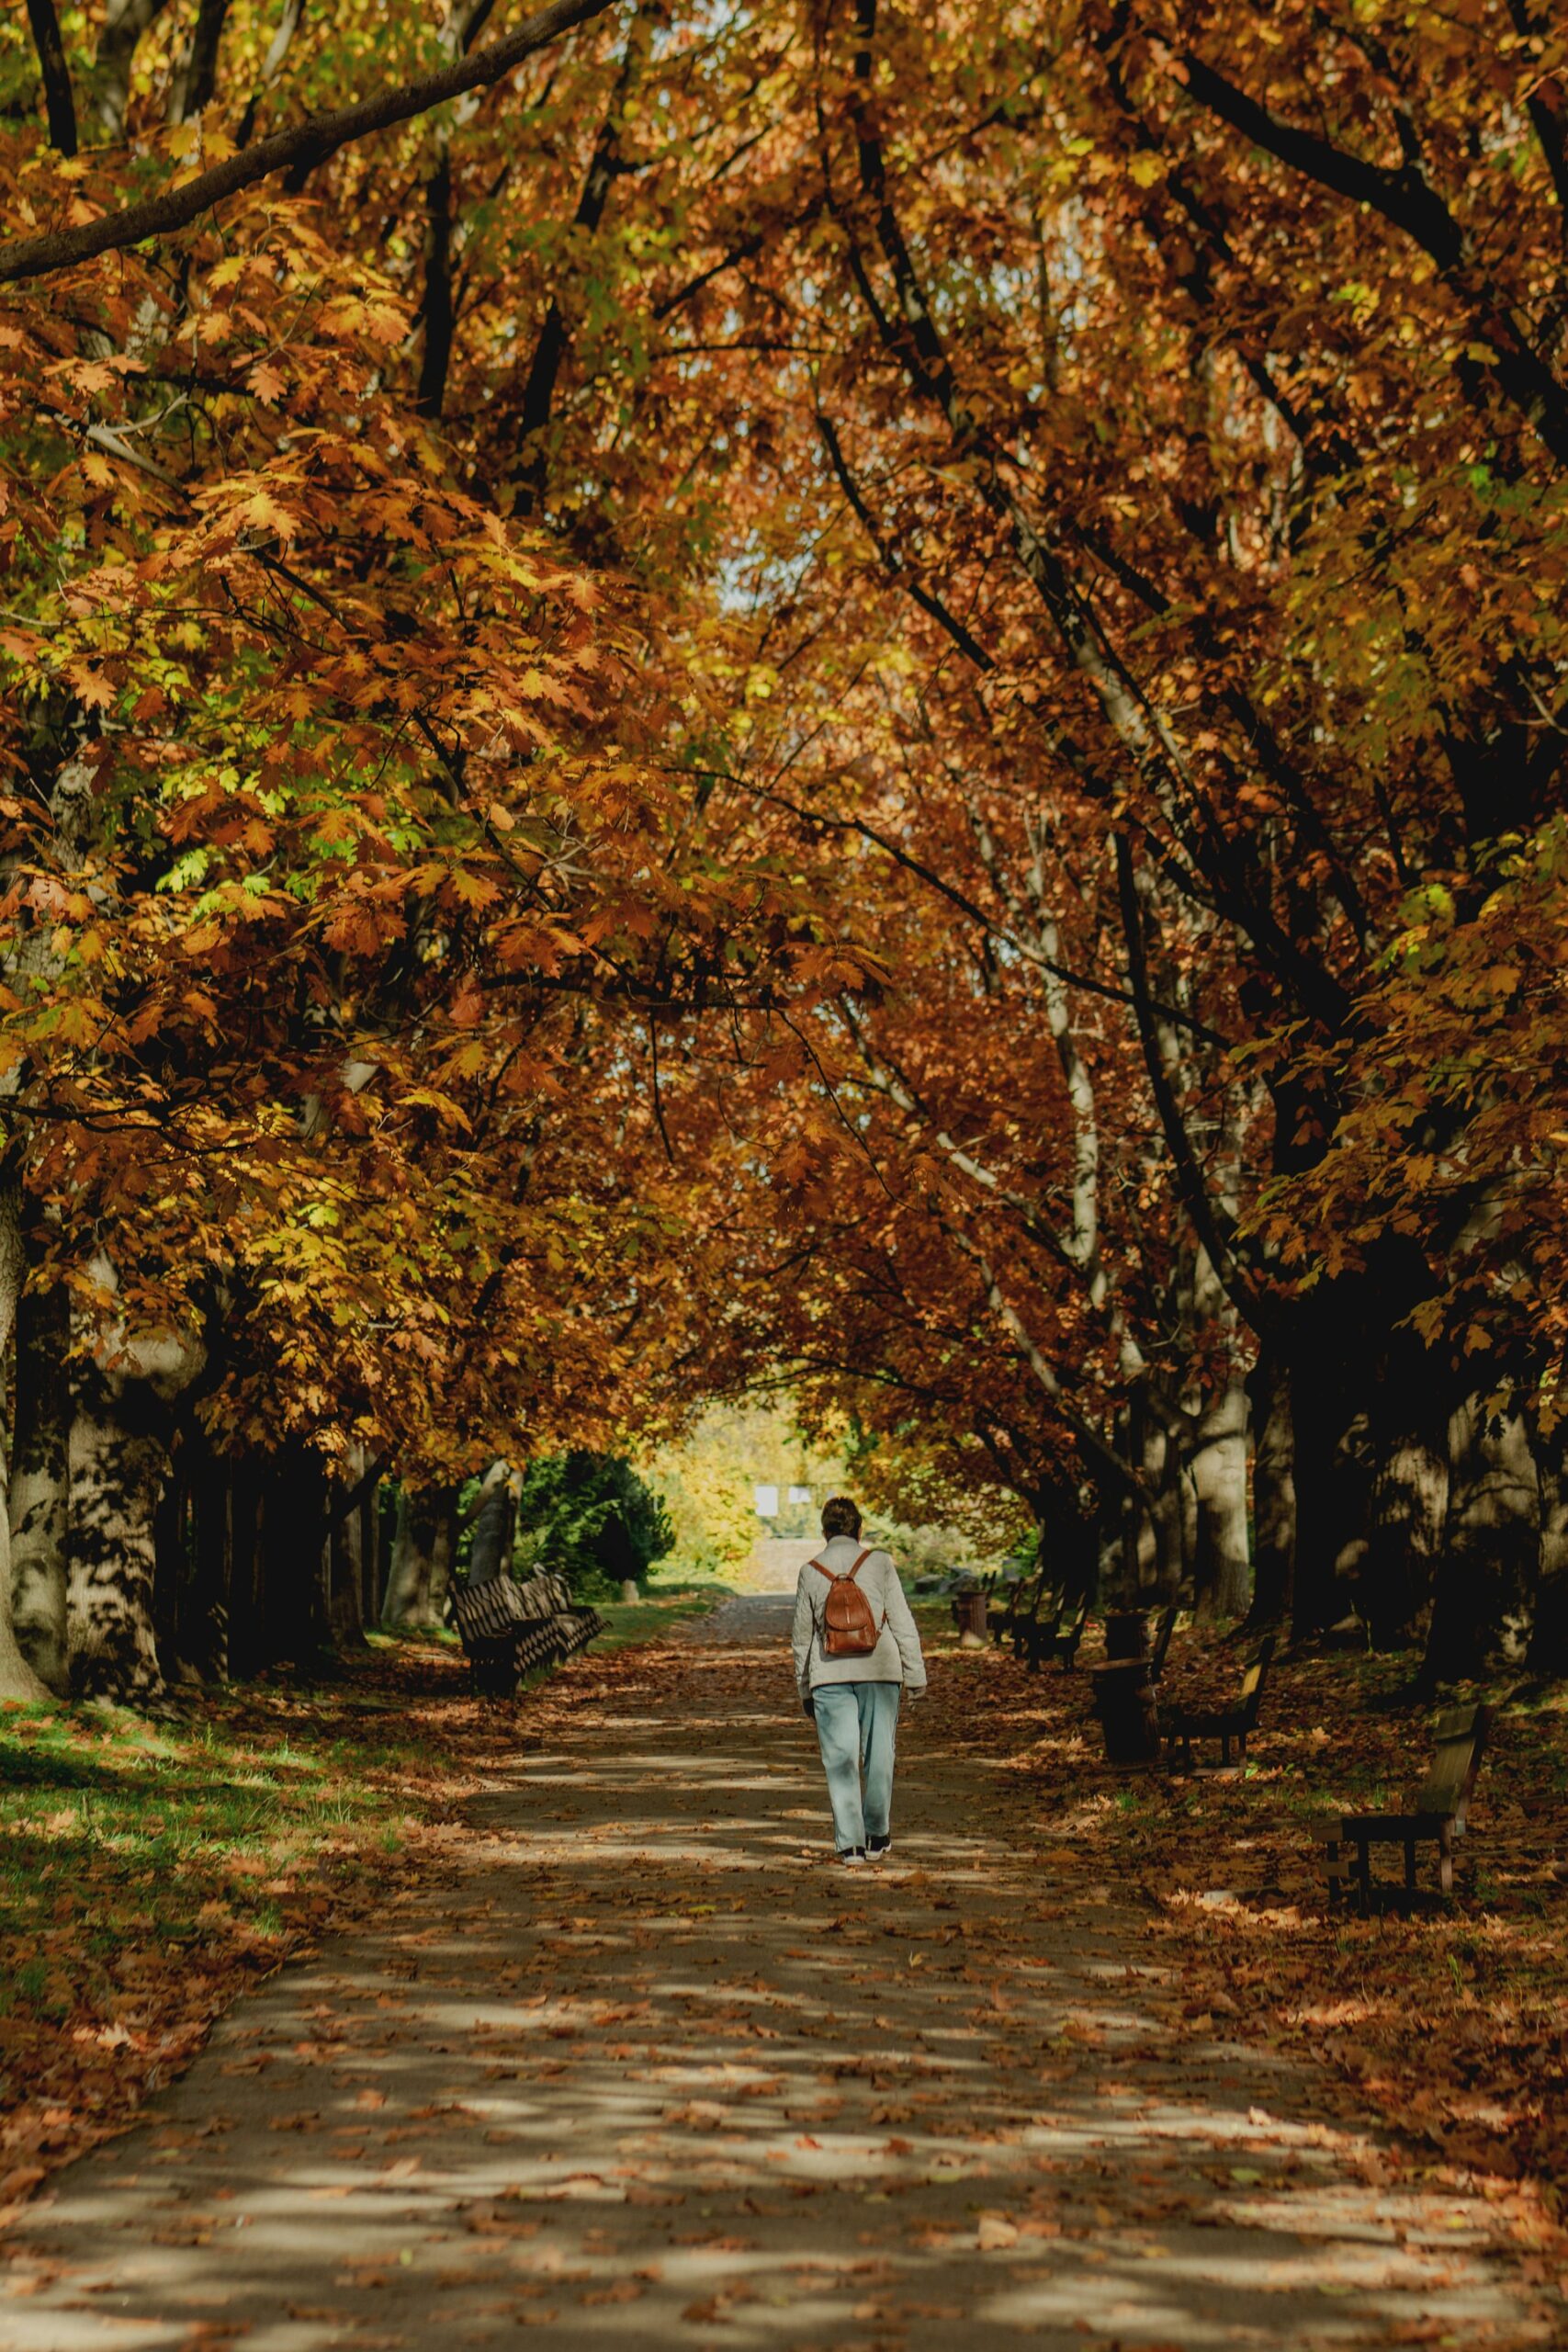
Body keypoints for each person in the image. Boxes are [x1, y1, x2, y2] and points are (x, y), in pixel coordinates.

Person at [791, 1495, 927, 1866]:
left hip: (829, 1673)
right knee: (880, 1754)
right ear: (859, 1529)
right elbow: (901, 1620)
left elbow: (803, 1637)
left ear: (824, 1532)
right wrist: (915, 1673)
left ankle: (850, 1845)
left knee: (840, 1759)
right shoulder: (880, 1563)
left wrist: (804, 1686)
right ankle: (877, 1834)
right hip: (879, 1672)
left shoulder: (810, 1570)